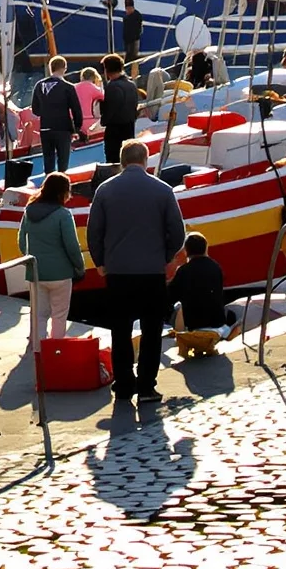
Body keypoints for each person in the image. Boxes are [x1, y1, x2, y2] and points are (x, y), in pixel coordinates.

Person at [85, 138, 186, 403]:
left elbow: (94, 232)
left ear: (121, 161)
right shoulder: (163, 190)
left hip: (118, 272)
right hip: (152, 271)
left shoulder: (105, 191)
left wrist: (101, 261)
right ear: (145, 160)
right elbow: (178, 233)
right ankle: (146, 388)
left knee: (120, 331)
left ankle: (123, 385)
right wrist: (165, 257)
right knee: (152, 332)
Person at [17, 172, 83, 347]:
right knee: (59, 315)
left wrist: (30, 259)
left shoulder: (29, 211)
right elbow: (72, 246)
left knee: (39, 314)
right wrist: (79, 267)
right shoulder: (63, 215)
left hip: (36, 273)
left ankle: (37, 349)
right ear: (63, 192)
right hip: (61, 274)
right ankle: (55, 349)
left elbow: (21, 241)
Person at [167, 231, 236, 337]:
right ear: (205, 248)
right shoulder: (216, 267)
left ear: (186, 251)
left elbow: (170, 297)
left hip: (194, 326)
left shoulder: (184, 271)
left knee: (174, 309)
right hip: (218, 323)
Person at [30, 57, 83, 175]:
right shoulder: (68, 87)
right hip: (62, 128)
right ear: (65, 68)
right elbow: (76, 110)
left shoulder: (39, 85)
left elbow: (35, 110)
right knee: (63, 162)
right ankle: (62, 186)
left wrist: (46, 112)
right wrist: (77, 128)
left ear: (50, 68)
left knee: (48, 161)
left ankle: (48, 185)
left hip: (45, 128)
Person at [98, 53, 141, 165]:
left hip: (115, 131)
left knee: (113, 161)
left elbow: (111, 108)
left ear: (107, 70)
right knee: (128, 160)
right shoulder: (131, 85)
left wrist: (103, 121)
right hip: (129, 127)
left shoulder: (112, 87)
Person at [73, 65, 104, 136]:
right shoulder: (95, 89)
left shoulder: (73, 88)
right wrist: (100, 85)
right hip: (90, 121)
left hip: (75, 122)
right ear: (94, 77)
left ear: (82, 77)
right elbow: (105, 98)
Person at [120, 0, 145, 67]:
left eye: (129, 8)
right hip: (127, 40)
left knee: (133, 57)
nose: (127, 10)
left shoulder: (137, 16)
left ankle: (131, 71)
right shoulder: (126, 17)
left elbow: (138, 29)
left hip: (134, 40)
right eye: (126, 9)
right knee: (128, 56)